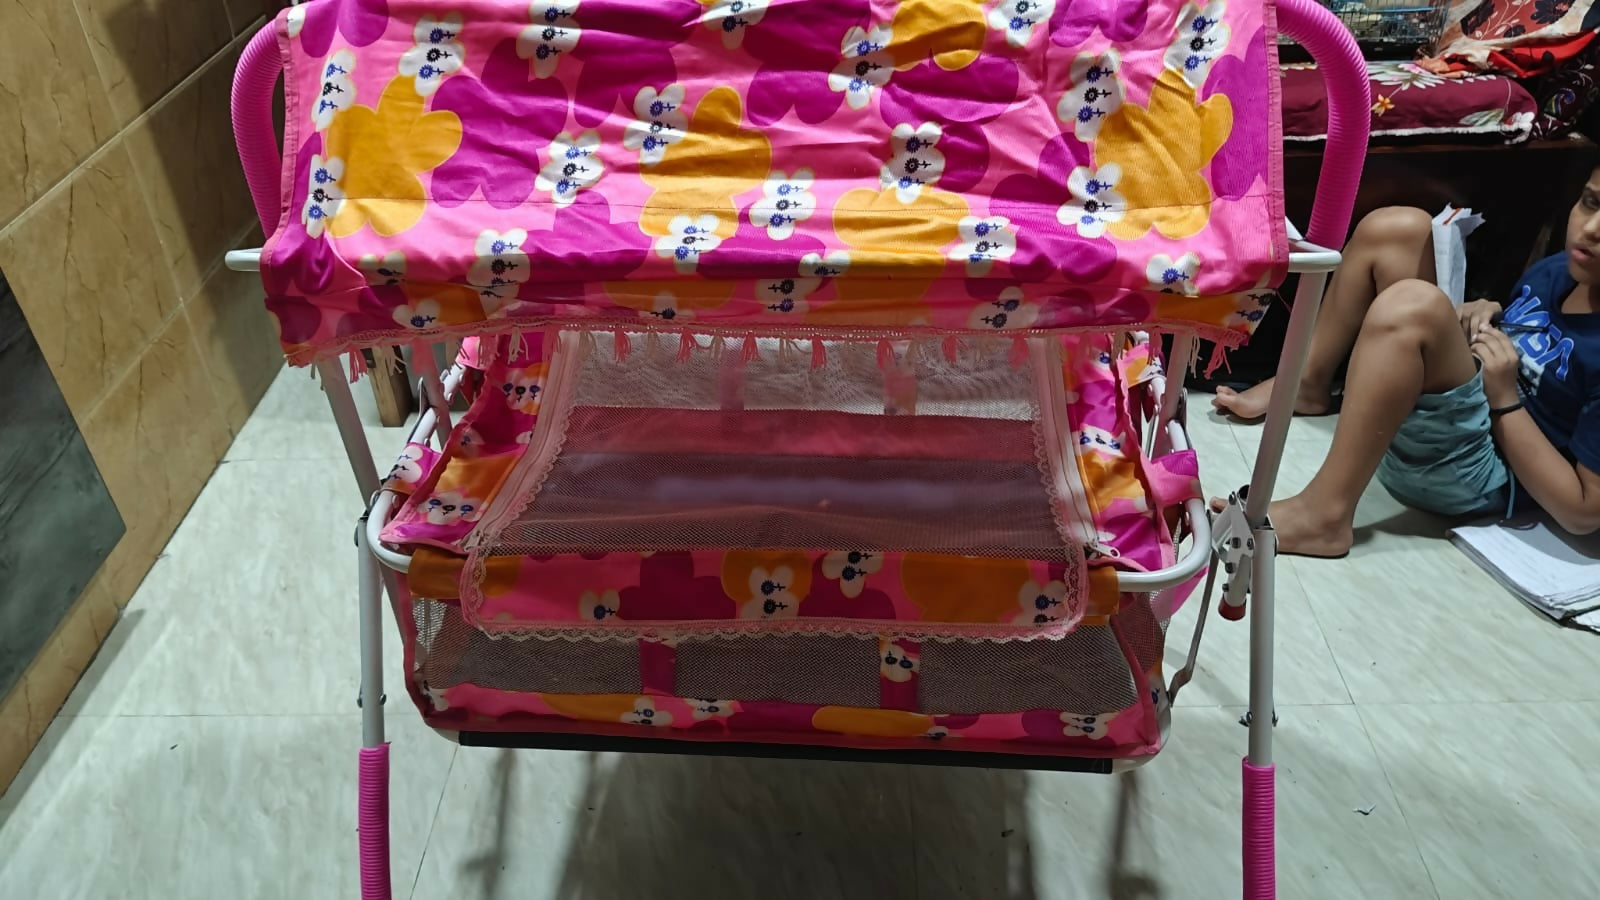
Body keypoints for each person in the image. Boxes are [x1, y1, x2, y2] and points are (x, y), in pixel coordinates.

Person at [1210, 177, 1600, 557]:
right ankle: (1307, 383)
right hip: (1477, 406)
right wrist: (1490, 312)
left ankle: (1324, 516)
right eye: (1591, 203)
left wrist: (1504, 399)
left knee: (1413, 307)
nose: (1591, 230)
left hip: (1489, 471)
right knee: (1395, 230)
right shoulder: (1563, 269)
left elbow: (1582, 513)